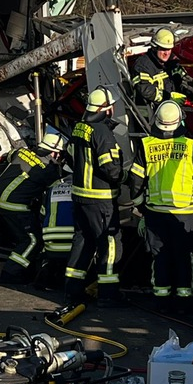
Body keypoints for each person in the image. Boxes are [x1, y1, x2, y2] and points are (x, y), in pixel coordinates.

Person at [129, 101, 193, 313]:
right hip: (183, 213)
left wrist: (139, 205)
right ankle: (185, 301)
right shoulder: (190, 146)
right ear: (180, 121)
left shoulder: (146, 145)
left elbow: (135, 180)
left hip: (155, 212)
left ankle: (161, 301)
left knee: (160, 256)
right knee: (183, 257)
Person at [65, 87, 126, 307]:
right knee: (109, 245)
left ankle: (72, 290)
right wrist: (125, 177)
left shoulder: (79, 127)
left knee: (82, 242)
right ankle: (108, 295)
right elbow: (111, 169)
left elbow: (69, 158)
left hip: (79, 197)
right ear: (106, 109)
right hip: (100, 199)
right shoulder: (102, 132)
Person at [0, 132, 67, 284]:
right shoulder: (49, 169)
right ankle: (11, 273)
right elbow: (54, 192)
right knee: (33, 240)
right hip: (13, 206)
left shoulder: (22, 152)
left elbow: (10, 156)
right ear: (54, 152)